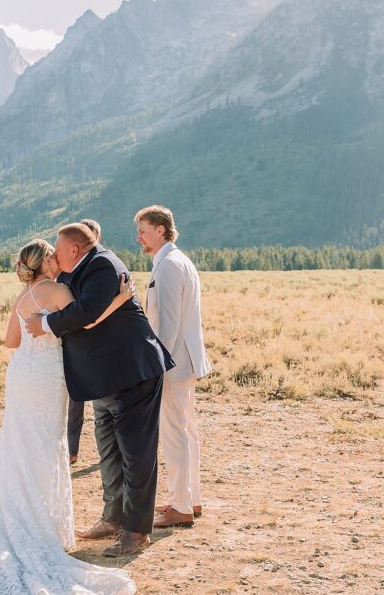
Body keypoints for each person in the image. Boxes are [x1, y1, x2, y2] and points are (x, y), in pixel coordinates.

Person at [0, 239, 135, 594]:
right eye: (53, 254)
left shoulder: (23, 297)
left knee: (19, 442)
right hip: (46, 378)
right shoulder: (53, 290)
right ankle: (39, 526)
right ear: (46, 262)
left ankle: (18, 518)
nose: (58, 258)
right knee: (44, 444)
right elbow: (86, 322)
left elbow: (11, 341)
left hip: (21, 374)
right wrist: (120, 300)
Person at [27, 223, 174, 557]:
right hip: (105, 379)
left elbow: (85, 312)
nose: (53, 252)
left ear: (74, 250)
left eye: (57, 247)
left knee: (136, 454)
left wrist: (45, 324)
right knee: (109, 452)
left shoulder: (103, 265)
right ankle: (113, 518)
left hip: (131, 373)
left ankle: (136, 531)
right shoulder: (73, 271)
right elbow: (71, 307)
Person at [135, 206, 212, 529]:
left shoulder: (168, 266)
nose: (138, 237)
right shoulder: (179, 261)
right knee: (186, 431)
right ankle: (188, 498)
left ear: (162, 231)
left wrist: (154, 366)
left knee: (175, 434)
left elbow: (166, 325)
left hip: (171, 364)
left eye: (143, 230)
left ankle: (180, 505)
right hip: (185, 361)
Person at [65, 218, 102, 466]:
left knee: (103, 405)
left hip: (100, 347)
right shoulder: (67, 272)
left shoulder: (102, 267)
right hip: (78, 345)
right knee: (75, 403)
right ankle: (71, 450)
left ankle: (105, 451)